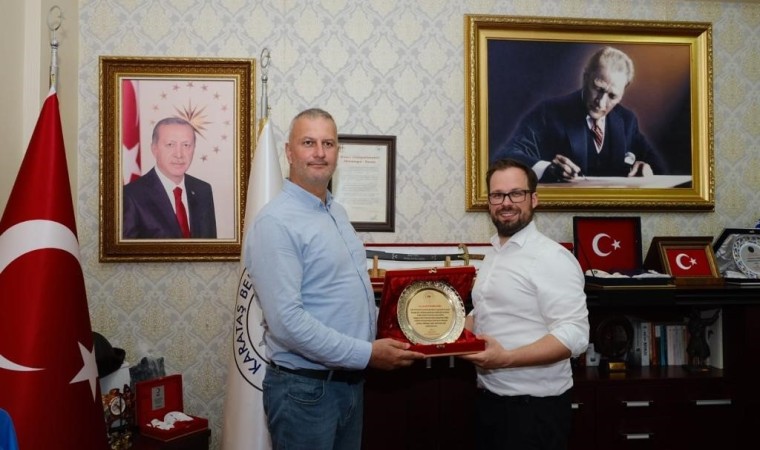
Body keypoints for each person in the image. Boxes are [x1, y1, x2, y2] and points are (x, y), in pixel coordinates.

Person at [244, 108, 425, 450]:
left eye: (328, 143)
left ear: (337, 152)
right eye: (308, 143)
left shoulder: (336, 212)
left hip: (348, 384)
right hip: (305, 393)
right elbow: (287, 323)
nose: (320, 152)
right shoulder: (276, 223)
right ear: (289, 152)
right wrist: (366, 354)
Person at [460, 158, 590, 450]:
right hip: (490, 402)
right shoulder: (495, 252)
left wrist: (505, 358)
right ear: (489, 202)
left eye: (516, 193)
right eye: (497, 195)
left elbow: (575, 335)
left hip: (534, 412)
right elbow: (486, 309)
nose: (506, 202)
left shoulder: (552, 258)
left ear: (534, 199)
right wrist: (445, 331)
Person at [491, 46, 668, 183]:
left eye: (612, 96)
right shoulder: (548, 113)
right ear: (585, 78)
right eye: (598, 88)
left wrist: (648, 169)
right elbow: (506, 156)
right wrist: (547, 168)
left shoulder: (627, 121)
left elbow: (658, 168)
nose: (601, 102)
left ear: (623, 93)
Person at [122, 117, 217, 238]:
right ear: (154, 149)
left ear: (194, 148)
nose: (179, 154)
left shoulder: (203, 190)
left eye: (186, 145)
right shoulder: (130, 196)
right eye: (170, 145)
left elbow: (210, 245)